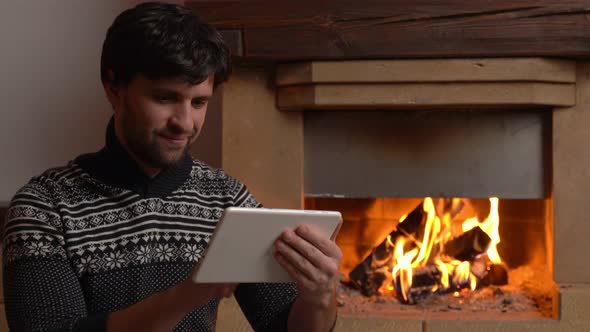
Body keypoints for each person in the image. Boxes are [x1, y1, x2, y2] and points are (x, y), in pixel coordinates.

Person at [2, 2, 342, 331]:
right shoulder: (43, 207)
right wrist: (186, 295)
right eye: (165, 98)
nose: (185, 122)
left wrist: (319, 297)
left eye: (199, 102)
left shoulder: (225, 199)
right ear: (113, 88)